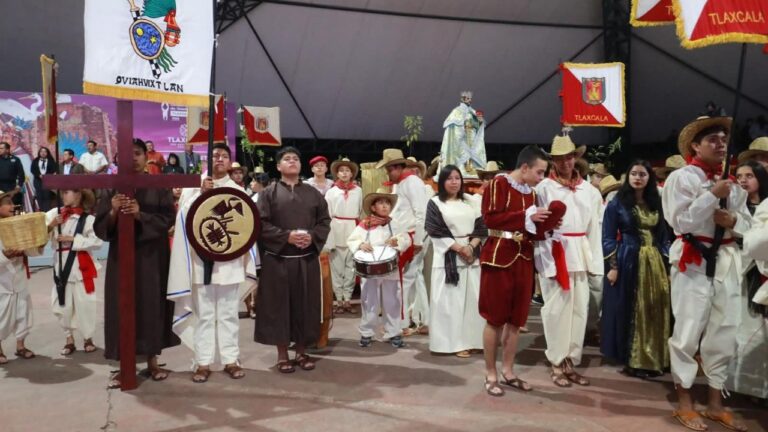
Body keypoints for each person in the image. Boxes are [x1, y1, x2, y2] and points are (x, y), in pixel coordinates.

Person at [663, 116, 750, 432]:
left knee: (725, 330)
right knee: (688, 330)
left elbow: (747, 224)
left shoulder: (733, 183)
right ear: (695, 146)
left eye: (723, 139)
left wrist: (733, 222)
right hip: (694, 260)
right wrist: (712, 194)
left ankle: (715, 402)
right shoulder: (682, 178)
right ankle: (684, 401)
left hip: (726, 259)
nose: (720, 144)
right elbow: (680, 222)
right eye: (712, 139)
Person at [167, 143, 259, 383]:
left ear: (229, 162)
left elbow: (245, 226)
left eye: (224, 156)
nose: (219, 159)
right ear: (206, 160)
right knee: (204, 315)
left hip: (229, 262)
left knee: (228, 314)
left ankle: (231, 359)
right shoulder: (194, 187)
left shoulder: (236, 190)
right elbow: (184, 219)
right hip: (201, 261)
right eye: (215, 155)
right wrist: (200, 194)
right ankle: (202, 361)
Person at [93, 138, 179, 389]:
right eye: (127, 153)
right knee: (121, 307)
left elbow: (168, 219)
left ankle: (152, 361)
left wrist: (140, 214)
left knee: (151, 305)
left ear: (146, 157)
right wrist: (113, 211)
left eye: (138, 153)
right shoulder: (111, 188)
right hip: (121, 257)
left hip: (152, 256)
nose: (132, 157)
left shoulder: (158, 185)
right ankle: (124, 366)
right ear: (117, 158)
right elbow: (100, 227)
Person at [479, 145, 554, 396]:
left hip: (523, 257)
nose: (541, 178)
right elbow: (490, 219)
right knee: (494, 318)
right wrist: (527, 216)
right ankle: (491, 373)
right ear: (524, 168)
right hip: (499, 256)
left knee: (516, 320)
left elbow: (531, 227)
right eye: (539, 172)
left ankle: (508, 371)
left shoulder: (532, 194)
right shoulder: (498, 184)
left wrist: (547, 226)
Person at [254, 146, 331, 373]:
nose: (292, 161)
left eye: (296, 158)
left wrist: (312, 237)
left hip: (306, 259)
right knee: (279, 308)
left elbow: (324, 221)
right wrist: (285, 237)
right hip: (277, 260)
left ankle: (301, 352)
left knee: (304, 306)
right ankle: (282, 355)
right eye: (287, 159)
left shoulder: (313, 193)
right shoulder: (267, 194)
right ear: (278, 166)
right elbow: (260, 224)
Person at [536, 134, 603, 388]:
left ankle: (570, 362)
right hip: (555, 252)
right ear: (553, 161)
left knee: (579, 310)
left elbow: (594, 228)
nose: (565, 162)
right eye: (560, 158)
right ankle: (556, 361)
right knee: (556, 310)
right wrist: (545, 263)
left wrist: (595, 263)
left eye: (569, 157)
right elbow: (539, 229)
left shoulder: (590, 191)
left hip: (580, 253)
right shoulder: (544, 188)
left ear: (576, 158)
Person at [601, 160, 671, 378]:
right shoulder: (617, 203)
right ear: (628, 176)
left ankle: (656, 357)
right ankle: (633, 359)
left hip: (654, 261)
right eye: (634, 173)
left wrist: (668, 264)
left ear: (649, 178)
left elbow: (664, 236)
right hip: (628, 259)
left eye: (642, 174)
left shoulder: (656, 203)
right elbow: (608, 237)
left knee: (655, 306)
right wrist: (613, 266)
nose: (638, 178)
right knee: (631, 308)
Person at [425, 165, 486, 357]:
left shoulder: (471, 201)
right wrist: (459, 248)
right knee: (450, 304)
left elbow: (481, 226)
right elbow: (435, 229)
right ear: (442, 181)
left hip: (471, 256)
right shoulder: (435, 203)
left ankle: (474, 340)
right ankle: (453, 344)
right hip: (448, 257)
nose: (454, 182)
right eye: (449, 178)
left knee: (473, 301)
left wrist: (471, 247)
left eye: (457, 178)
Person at [376, 148, 430, 335]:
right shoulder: (400, 184)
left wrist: (418, 240)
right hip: (405, 236)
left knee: (405, 279)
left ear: (397, 167)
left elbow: (421, 212)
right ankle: (422, 319)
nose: (387, 173)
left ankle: (403, 323)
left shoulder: (412, 182)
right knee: (414, 278)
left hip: (413, 235)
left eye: (389, 169)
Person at [347, 192, 411, 348]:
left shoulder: (394, 223)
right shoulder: (365, 224)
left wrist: (397, 242)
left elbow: (406, 239)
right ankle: (367, 332)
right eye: (380, 203)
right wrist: (360, 244)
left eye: (387, 203)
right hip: (370, 268)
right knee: (369, 300)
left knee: (392, 299)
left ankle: (393, 332)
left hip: (390, 267)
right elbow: (352, 239)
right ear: (373, 207)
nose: (384, 206)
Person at [728, 160, 768, 401]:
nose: (743, 180)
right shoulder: (733, 205)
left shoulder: (765, 206)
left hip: (761, 272)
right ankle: (740, 383)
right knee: (740, 328)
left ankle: (760, 388)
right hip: (738, 269)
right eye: (739, 176)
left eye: (749, 175)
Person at [45, 189, 101, 356]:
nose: (63, 196)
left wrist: (73, 239)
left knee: (85, 303)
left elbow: (97, 241)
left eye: (67, 192)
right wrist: (51, 225)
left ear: (79, 194)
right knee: (62, 304)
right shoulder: (54, 214)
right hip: (60, 264)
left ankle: (88, 338)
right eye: (62, 193)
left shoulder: (88, 219)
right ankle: (69, 339)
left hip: (81, 266)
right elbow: (39, 236)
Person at [0, 189, 41, 364]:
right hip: (2, 283)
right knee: (2, 316)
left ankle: (20, 346)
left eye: (12, 203)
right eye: (8, 203)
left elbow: (30, 250)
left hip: (19, 278)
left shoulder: (18, 225)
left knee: (23, 313)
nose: (13, 206)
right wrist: (5, 256)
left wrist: (39, 243)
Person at [325, 158, 362, 314]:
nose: (345, 173)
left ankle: (347, 299)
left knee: (351, 268)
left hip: (353, 230)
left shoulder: (358, 191)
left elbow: (360, 210)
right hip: (336, 229)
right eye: (341, 171)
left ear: (352, 173)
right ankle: (338, 300)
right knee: (336, 269)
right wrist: (329, 238)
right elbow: (327, 215)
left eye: (347, 170)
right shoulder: (331, 192)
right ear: (337, 174)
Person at [440, 91, 487, 177]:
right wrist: (462, 125)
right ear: (463, 99)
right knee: (463, 152)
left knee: (472, 153)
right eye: (468, 99)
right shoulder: (456, 111)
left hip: (471, 136)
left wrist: (479, 122)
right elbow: (452, 124)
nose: (470, 100)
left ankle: (471, 168)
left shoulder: (472, 111)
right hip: (462, 136)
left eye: (470, 99)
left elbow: (477, 125)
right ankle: (461, 169)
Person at [30, 147, 58, 211]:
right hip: (37, 181)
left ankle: (47, 211)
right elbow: (32, 170)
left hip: (47, 181)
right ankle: (41, 210)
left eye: (45, 151)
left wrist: (47, 176)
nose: (43, 153)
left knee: (47, 196)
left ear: (47, 153)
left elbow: (54, 169)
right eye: (41, 151)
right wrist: (38, 175)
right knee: (39, 196)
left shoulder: (51, 161)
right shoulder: (35, 160)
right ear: (39, 153)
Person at [0, 142, 26, 207]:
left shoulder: (15, 159)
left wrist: (19, 185)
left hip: (11, 187)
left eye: (1, 148)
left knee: (12, 206)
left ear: (7, 150)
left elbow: (21, 174)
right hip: (0, 187)